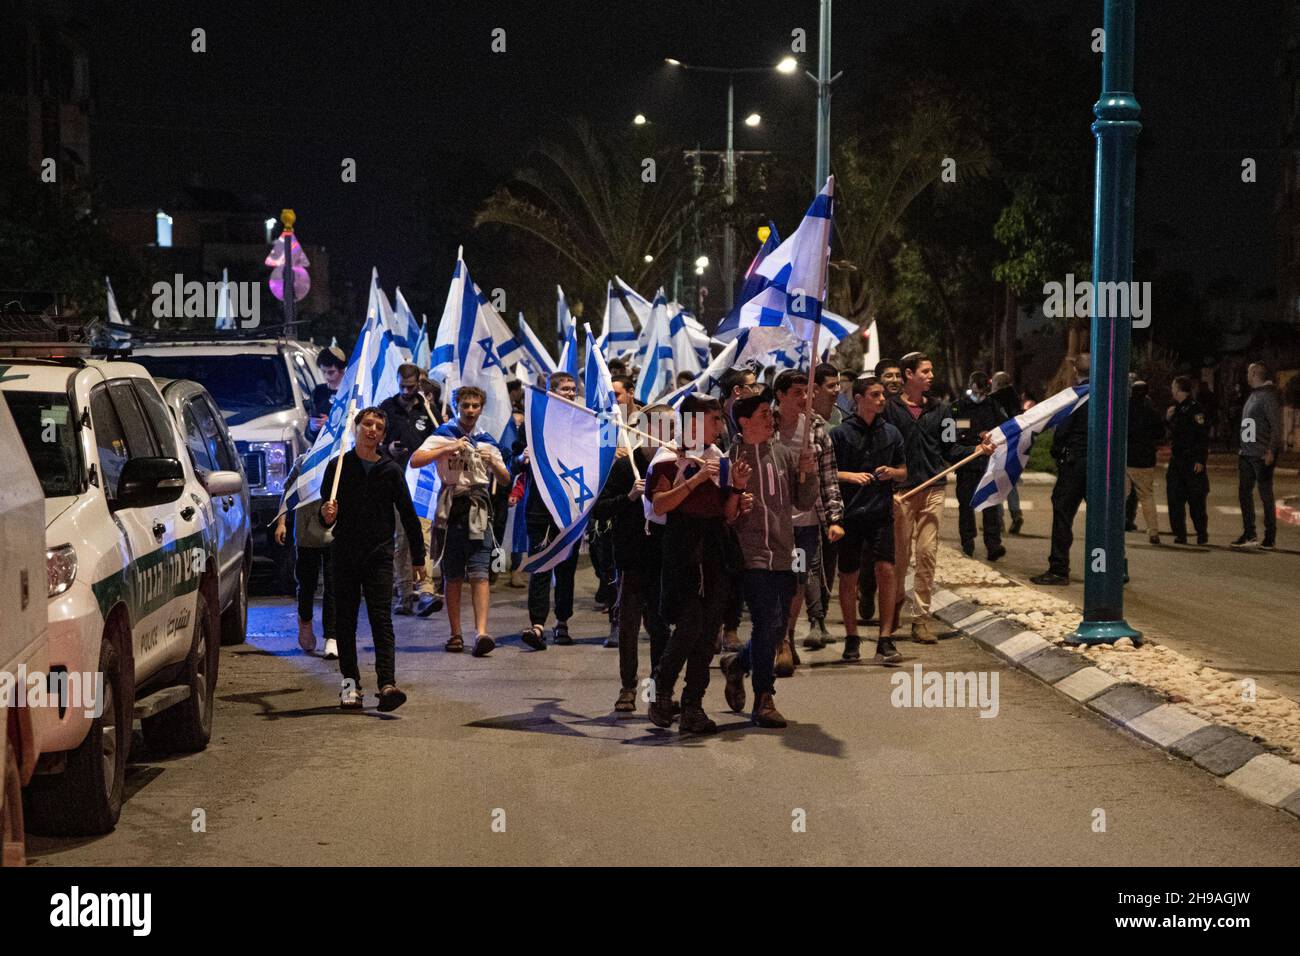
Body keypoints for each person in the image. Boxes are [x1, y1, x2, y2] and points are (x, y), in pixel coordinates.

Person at [645, 395, 744, 733]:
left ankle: (693, 706)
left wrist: (738, 491)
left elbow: (728, 514)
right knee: (690, 623)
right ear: (692, 423)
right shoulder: (668, 458)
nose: (720, 427)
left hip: (715, 547)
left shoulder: (719, 459)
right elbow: (660, 506)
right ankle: (662, 685)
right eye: (714, 419)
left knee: (709, 633)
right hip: (683, 547)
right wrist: (695, 479)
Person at [718, 388, 816, 728]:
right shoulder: (728, 458)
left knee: (776, 628)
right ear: (744, 421)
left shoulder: (784, 454)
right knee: (767, 620)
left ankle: (737, 664)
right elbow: (722, 512)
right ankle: (764, 697)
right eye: (763, 413)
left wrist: (808, 472)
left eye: (770, 413)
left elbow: (803, 502)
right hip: (750, 554)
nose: (770, 418)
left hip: (784, 552)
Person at [319, 407, 425, 711]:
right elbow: (325, 518)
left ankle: (387, 684)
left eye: (379, 426)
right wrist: (327, 515)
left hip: (378, 555)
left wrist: (418, 558)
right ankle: (350, 687)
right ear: (357, 427)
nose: (372, 430)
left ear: (383, 434)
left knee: (381, 620)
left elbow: (408, 514)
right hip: (345, 555)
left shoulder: (390, 470)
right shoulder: (339, 467)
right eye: (367, 424)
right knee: (346, 622)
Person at [884, 352, 994, 640]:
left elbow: (950, 450)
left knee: (926, 554)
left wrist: (975, 451)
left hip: (933, 488)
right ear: (909, 375)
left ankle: (921, 618)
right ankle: (892, 608)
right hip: (901, 493)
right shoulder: (890, 410)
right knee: (899, 556)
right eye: (925, 371)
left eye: (932, 371)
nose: (931, 376)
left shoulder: (942, 410)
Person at [408, 385, 511, 656]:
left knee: (480, 574)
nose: (470, 411)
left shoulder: (487, 440)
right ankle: (455, 634)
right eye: (465, 405)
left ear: (481, 409)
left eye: (475, 406)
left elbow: (505, 480)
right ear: (456, 406)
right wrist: (449, 448)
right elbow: (416, 460)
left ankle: (481, 633)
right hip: (452, 508)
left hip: (478, 509)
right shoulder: (443, 435)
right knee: (453, 576)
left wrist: (496, 465)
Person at [592, 404, 674, 713]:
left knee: (660, 627)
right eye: (662, 426)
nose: (669, 433)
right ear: (646, 429)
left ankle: (657, 688)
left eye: (672, 426)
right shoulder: (626, 468)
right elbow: (599, 508)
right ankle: (628, 687)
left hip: (663, 558)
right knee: (628, 625)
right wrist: (628, 497)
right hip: (630, 559)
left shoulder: (672, 466)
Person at [830, 376, 907, 664]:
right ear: (859, 399)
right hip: (849, 514)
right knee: (848, 575)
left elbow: (904, 470)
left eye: (882, 395)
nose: (881, 399)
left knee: (886, 570)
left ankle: (885, 639)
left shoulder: (891, 433)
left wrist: (894, 473)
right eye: (875, 395)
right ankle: (852, 638)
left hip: (880, 513)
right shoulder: (840, 434)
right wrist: (849, 475)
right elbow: (827, 472)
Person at [773, 370, 845, 657]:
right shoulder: (765, 425)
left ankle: (786, 638)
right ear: (780, 395)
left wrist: (834, 517)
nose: (804, 398)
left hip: (806, 523)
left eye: (807, 392)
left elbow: (829, 476)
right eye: (797, 393)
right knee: (776, 580)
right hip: (773, 523)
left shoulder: (816, 428)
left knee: (798, 578)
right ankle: (775, 636)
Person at [514, 371, 584, 648]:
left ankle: (562, 623)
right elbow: (516, 457)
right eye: (565, 389)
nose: (569, 393)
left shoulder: (582, 424)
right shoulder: (533, 422)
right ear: (551, 392)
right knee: (541, 566)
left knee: (566, 568)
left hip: (570, 508)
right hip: (540, 507)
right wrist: (522, 457)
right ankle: (537, 626)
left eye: (572, 389)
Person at [380, 363, 443, 616]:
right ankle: (404, 594)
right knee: (400, 541)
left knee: (423, 537)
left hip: (423, 481)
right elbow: (375, 442)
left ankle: (426, 590)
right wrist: (388, 451)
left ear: (419, 383)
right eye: (402, 386)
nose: (407, 391)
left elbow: (440, 437)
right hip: (395, 481)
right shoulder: (387, 407)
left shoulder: (428, 409)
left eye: (411, 386)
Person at [1031, 354, 1090, 585]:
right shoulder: (1107, 396)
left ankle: (1058, 568)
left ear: (1076, 372)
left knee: (1063, 514)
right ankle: (1112, 567)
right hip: (1100, 466)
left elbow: (1062, 432)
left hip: (1075, 464)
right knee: (1104, 518)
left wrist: (1057, 454)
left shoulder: (1075, 397)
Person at [274, 455, 337, 658]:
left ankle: (332, 636)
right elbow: (287, 491)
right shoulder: (303, 461)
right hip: (306, 532)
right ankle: (306, 622)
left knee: (333, 584)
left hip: (334, 531)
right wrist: (281, 523)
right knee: (307, 583)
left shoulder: (341, 460)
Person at [952, 371, 1008, 560]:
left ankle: (993, 544)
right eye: (975, 391)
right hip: (967, 463)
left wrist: (991, 435)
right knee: (966, 506)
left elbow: (1005, 428)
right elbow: (952, 434)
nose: (978, 396)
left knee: (990, 505)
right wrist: (975, 440)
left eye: (981, 392)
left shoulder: (993, 406)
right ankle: (967, 542)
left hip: (988, 465)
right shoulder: (958, 407)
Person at [1232, 361, 1283, 550]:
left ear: (1254, 373)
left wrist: (1271, 450)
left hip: (1261, 455)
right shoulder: (1254, 395)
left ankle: (1270, 536)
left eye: (1248, 372)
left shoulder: (1268, 396)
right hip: (1246, 453)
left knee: (1265, 495)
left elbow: (1276, 428)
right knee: (1244, 493)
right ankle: (1249, 533)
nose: (1246, 375)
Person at [1166, 375, 1210, 545]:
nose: (1171, 390)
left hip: (1192, 461)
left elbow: (1202, 436)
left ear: (1178, 389)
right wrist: (1167, 419)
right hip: (1177, 460)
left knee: (1196, 501)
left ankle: (1201, 533)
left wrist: (1200, 460)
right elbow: (1172, 434)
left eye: (1173, 387)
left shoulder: (1195, 409)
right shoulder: (1175, 410)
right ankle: (1180, 534)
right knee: (1174, 499)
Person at [1125, 380, 1163, 545]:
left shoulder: (1125, 409)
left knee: (1121, 496)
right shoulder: (1151, 411)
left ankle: (1114, 528)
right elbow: (1160, 433)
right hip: (1145, 460)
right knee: (1147, 496)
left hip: (1126, 459)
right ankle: (1153, 531)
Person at [989, 371, 1024, 534]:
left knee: (996, 481)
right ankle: (1016, 514)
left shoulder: (994, 399)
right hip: (1015, 443)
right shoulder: (1015, 398)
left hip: (999, 443)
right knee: (1011, 481)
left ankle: (998, 520)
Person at [307, 345, 347, 444]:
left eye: (331, 372)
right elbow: (309, 434)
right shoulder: (318, 392)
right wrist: (312, 428)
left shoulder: (350, 392)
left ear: (341, 369)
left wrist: (330, 425)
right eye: (323, 372)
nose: (326, 376)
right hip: (321, 449)